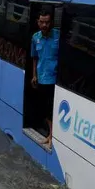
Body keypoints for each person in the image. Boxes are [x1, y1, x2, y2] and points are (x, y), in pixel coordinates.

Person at [31, 9, 60, 149]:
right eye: (42, 22)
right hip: (42, 79)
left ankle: (52, 136)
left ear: (51, 22)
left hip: (56, 80)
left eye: (47, 22)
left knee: (53, 108)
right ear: (38, 22)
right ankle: (50, 134)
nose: (44, 25)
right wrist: (34, 75)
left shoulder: (58, 36)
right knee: (45, 109)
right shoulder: (35, 38)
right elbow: (35, 58)